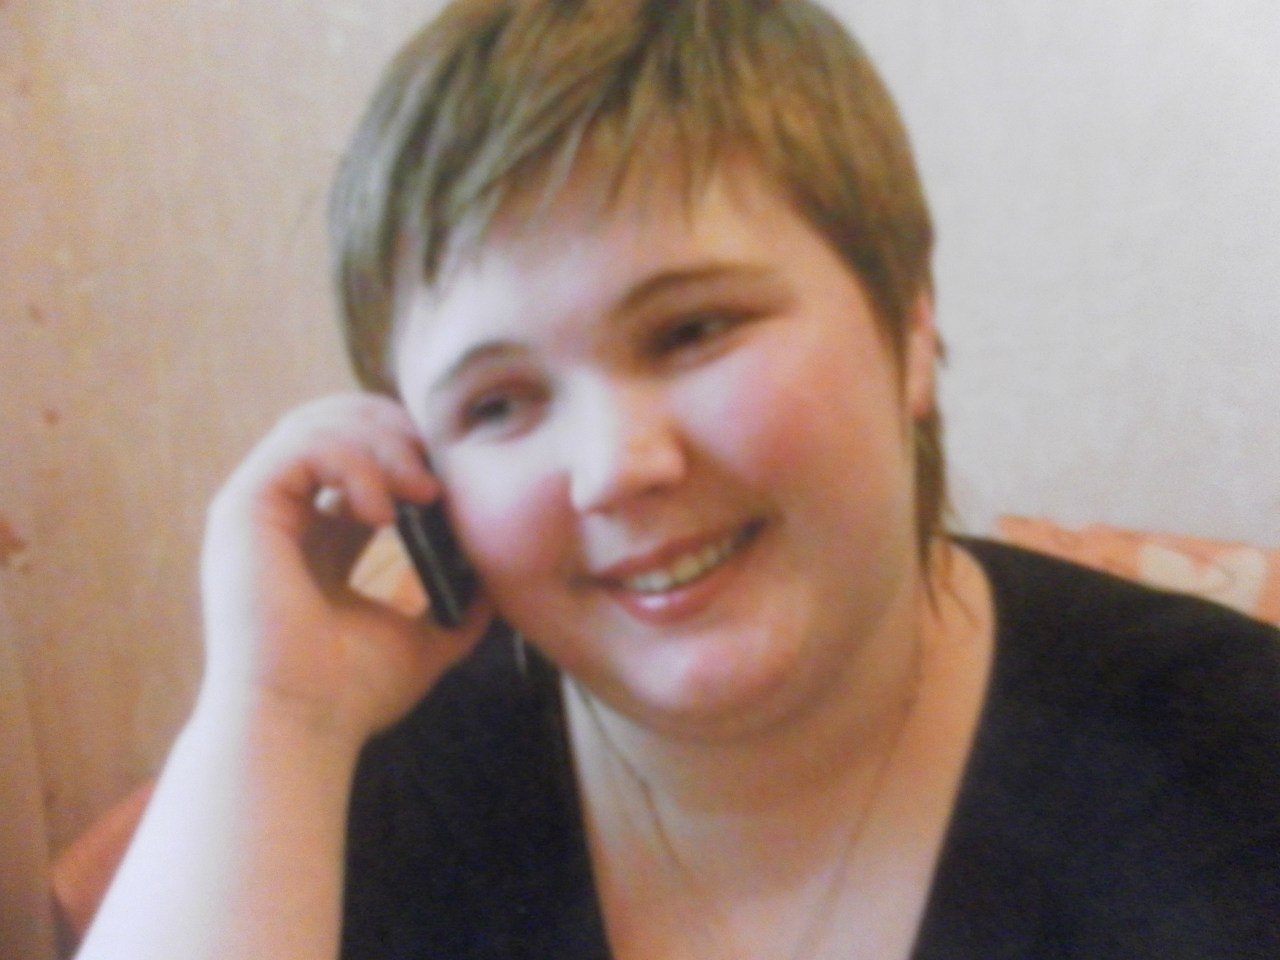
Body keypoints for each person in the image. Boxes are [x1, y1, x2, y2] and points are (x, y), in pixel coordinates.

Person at [75, 1, 1280, 958]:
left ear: (908, 326)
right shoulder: (347, 798)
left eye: (692, 331)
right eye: (498, 404)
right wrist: (278, 715)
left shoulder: (1230, 751)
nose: (614, 468)